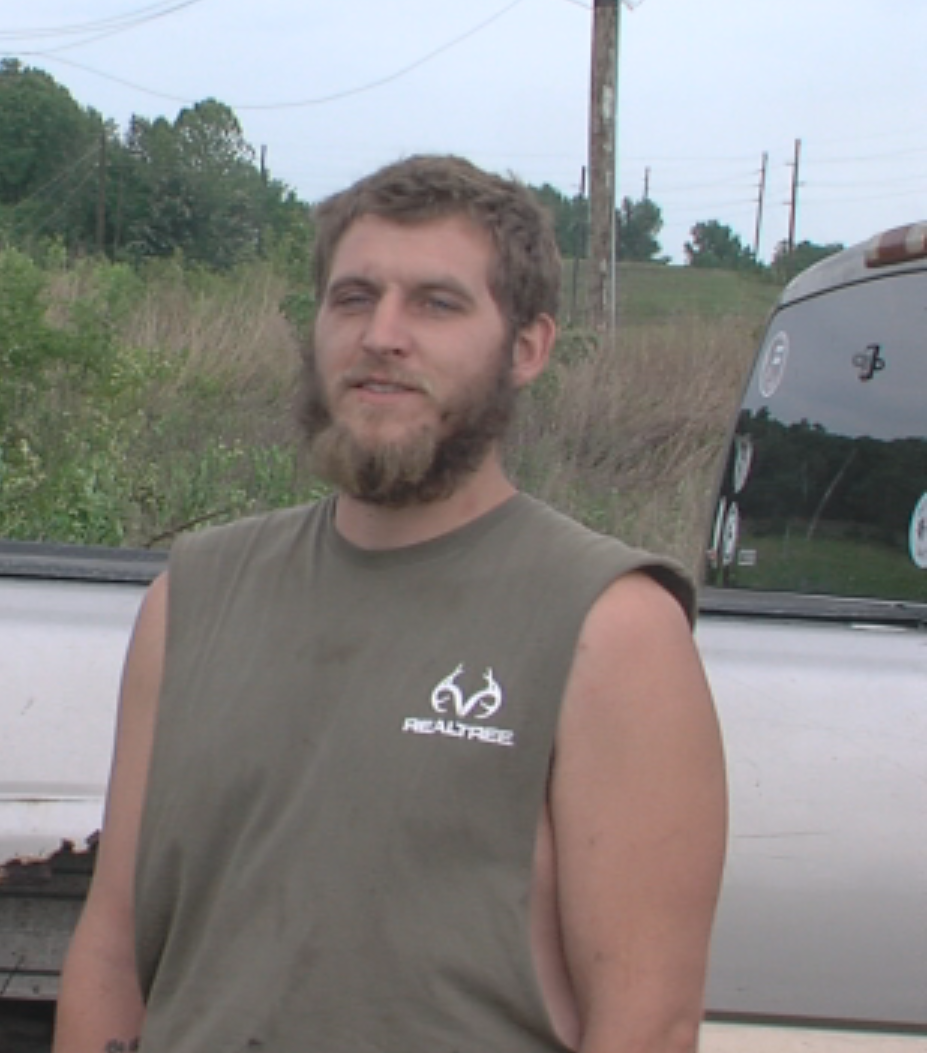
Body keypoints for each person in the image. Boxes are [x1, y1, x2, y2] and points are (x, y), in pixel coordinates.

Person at [53, 155, 727, 1053]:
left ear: (527, 347)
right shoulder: (191, 596)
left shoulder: (609, 625)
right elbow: (110, 949)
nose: (382, 334)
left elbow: (646, 1023)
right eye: (353, 297)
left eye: (436, 303)